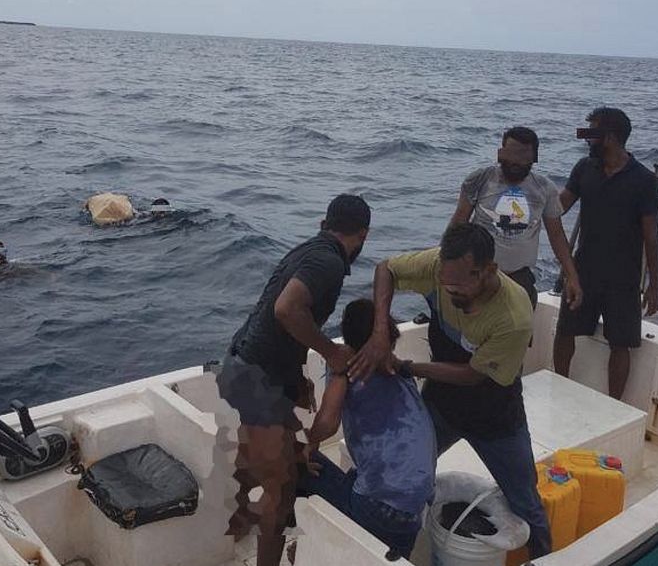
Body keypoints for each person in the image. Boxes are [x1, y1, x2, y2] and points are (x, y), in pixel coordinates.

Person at [348, 223, 552, 559]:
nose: (448, 291)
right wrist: (380, 332)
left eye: (458, 287)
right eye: (444, 283)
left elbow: (472, 376)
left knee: (526, 502)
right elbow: (386, 269)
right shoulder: (437, 266)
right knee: (398, 470)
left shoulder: (514, 315)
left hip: (496, 416)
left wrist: (407, 367)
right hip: (440, 404)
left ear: (488, 271)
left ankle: (543, 556)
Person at [216, 194, 370, 566]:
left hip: (250, 367)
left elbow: (283, 321)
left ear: (324, 224)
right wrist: (331, 352)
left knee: (279, 456)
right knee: (280, 491)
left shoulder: (309, 250)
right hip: (256, 378)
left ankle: (257, 495)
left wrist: (297, 375)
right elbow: (286, 309)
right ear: (363, 235)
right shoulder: (329, 262)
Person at [295, 298, 435, 560]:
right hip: (415, 510)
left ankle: (305, 546)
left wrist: (306, 448)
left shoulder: (348, 369)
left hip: (379, 507)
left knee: (289, 459)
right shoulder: (398, 370)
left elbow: (327, 423)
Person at [553, 107, 658, 400]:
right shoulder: (584, 168)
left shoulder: (644, 180)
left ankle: (615, 404)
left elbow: (651, 237)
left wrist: (654, 286)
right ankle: (558, 387)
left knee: (620, 343)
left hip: (623, 277)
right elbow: (559, 207)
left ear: (610, 137)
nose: (587, 141)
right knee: (564, 331)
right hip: (583, 270)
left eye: (592, 134)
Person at [449, 127, 582, 310]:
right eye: (511, 155)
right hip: (478, 275)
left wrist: (572, 277)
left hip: (520, 278)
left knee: (520, 325)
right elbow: (458, 223)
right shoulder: (479, 180)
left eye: (522, 157)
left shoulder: (545, 188)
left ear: (533, 158)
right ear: (501, 153)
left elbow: (557, 235)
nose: (515, 162)